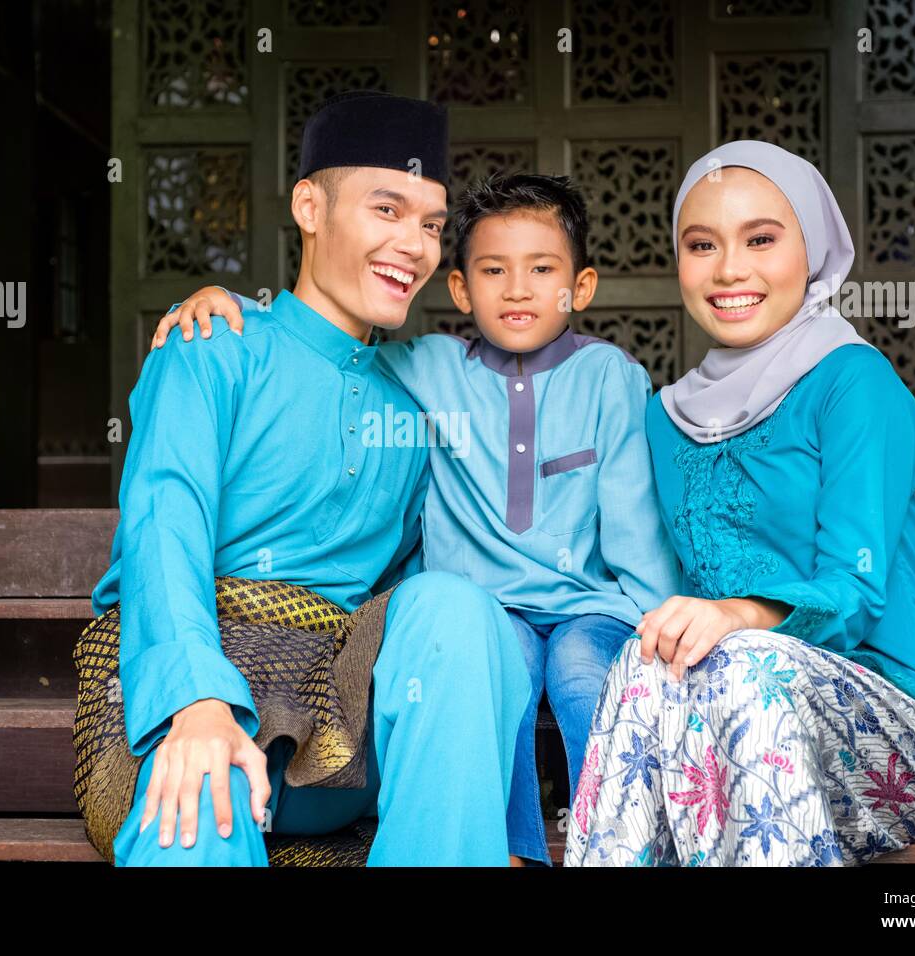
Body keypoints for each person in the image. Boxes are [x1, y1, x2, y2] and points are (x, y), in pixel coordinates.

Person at [151, 173, 681, 866]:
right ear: (461, 291)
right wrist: (221, 304)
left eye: (541, 271)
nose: (517, 289)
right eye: (493, 271)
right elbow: (326, 345)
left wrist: (659, 619)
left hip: (572, 614)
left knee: (568, 663)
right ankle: (517, 847)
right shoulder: (424, 368)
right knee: (500, 649)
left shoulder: (609, 375)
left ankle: (622, 843)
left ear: (581, 287)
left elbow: (636, 519)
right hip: (466, 628)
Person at [91, 90, 532, 866]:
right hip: (190, 716)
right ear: (309, 206)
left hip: (338, 743)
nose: (415, 246)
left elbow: (421, 616)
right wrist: (196, 699)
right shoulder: (214, 344)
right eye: (387, 210)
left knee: (457, 608)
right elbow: (165, 524)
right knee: (201, 793)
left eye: (432, 226)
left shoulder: (414, 405)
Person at [563, 140, 915, 866]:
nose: (730, 269)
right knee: (643, 658)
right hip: (728, 740)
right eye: (702, 245)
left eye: (761, 238)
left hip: (900, 734)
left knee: (735, 663)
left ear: (811, 250)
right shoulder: (664, 419)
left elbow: (852, 590)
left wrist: (739, 615)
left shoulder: (853, 383)